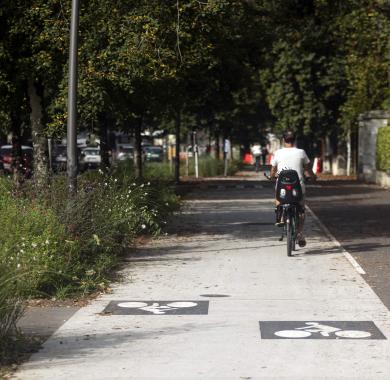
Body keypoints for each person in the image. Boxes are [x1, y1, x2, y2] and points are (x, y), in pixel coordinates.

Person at [269, 130, 316, 247]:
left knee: (278, 196)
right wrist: (313, 176)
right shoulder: (301, 152)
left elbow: (273, 169)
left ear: (283, 140)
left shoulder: (278, 153)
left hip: (282, 187)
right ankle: (299, 233)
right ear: (294, 140)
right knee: (301, 209)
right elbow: (308, 168)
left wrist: (271, 177)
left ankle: (280, 216)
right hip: (298, 187)